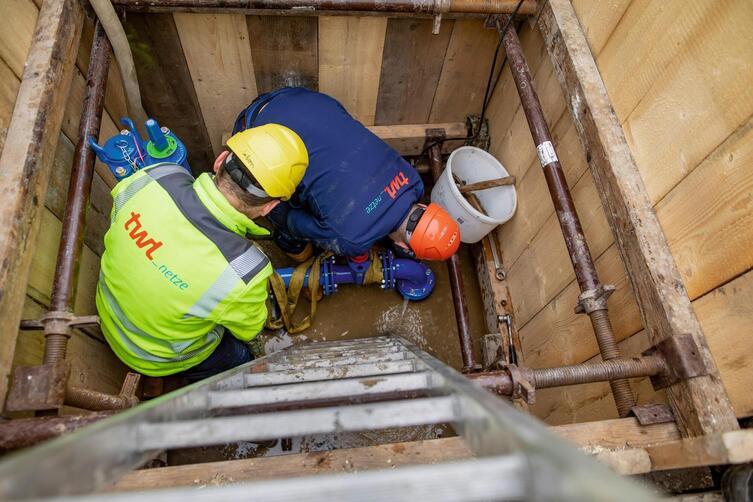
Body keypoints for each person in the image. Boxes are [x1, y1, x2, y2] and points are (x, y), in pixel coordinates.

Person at [95, 125, 308, 379]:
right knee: (239, 357)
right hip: (155, 359)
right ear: (269, 207)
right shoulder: (244, 269)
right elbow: (249, 330)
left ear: (219, 162)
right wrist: (257, 352)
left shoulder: (153, 178)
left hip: (106, 315)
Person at [233, 87, 461, 262]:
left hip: (296, 99)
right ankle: (293, 249)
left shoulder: (413, 181)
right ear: (403, 248)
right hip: (252, 131)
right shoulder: (352, 239)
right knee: (288, 221)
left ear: (425, 208)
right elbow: (293, 221)